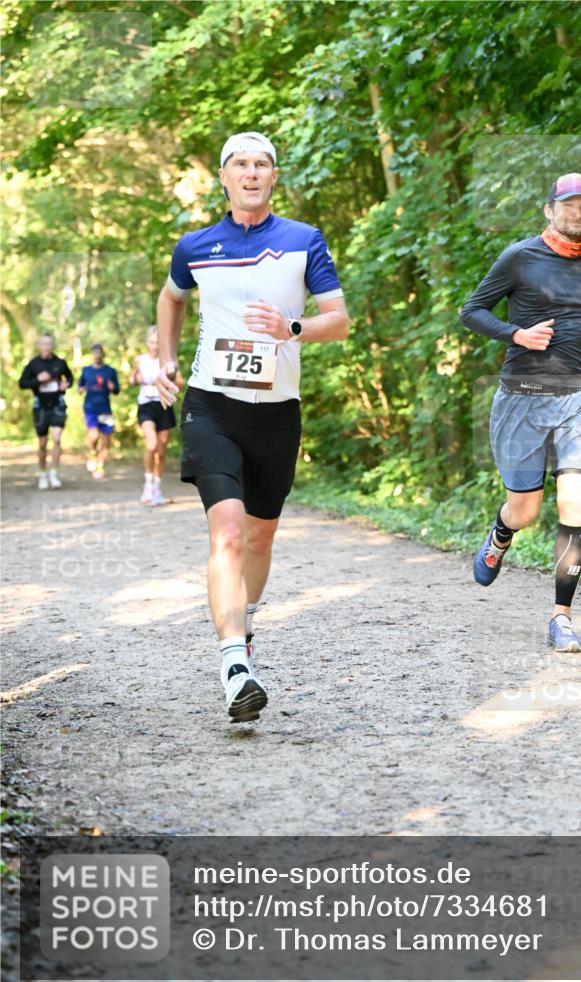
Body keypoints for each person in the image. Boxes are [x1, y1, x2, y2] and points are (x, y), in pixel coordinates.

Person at [155, 131, 349, 722]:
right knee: (230, 534)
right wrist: (165, 358)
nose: (251, 171)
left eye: (262, 163)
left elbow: (338, 322)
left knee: (261, 538)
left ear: (273, 177)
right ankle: (235, 662)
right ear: (223, 176)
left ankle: (244, 620)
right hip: (212, 404)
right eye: (240, 163)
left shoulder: (302, 241)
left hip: (276, 411)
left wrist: (291, 329)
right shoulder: (195, 246)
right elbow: (171, 299)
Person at [460, 173, 581, 652]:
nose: (577, 214)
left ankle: (562, 617)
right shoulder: (519, 257)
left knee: (575, 504)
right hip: (521, 396)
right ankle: (501, 531)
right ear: (549, 210)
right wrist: (517, 334)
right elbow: (471, 311)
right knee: (526, 510)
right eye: (569, 205)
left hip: (577, 397)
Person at [130, 325, 182, 505]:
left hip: (164, 405)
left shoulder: (168, 361)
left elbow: (181, 383)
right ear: (147, 343)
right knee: (151, 444)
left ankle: (157, 489)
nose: (154, 346)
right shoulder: (140, 360)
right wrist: (135, 379)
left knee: (160, 451)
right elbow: (131, 379)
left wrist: (170, 379)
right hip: (146, 405)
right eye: (151, 342)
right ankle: (147, 487)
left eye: (157, 342)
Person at [18, 333, 73, 490]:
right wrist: (37, 380)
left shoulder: (60, 362)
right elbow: (22, 383)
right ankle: (43, 473)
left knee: (56, 438)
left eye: (49, 344)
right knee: (42, 443)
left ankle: (54, 473)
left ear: (52, 345)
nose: (47, 347)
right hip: (40, 406)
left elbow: (70, 378)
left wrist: (66, 385)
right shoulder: (33, 364)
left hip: (57, 404)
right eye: (44, 344)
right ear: (39, 345)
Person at [78, 344, 120, 480]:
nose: (97, 355)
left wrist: (112, 387)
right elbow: (80, 386)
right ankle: (92, 453)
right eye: (94, 352)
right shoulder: (86, 371)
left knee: (106, 440)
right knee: (94, 435)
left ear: (102, 354)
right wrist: (80, 389)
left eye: (99, 352)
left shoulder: (110, 371)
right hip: (90, 408)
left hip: (105, 409)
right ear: (92, 354)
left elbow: (116, 390)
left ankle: (100, 465)